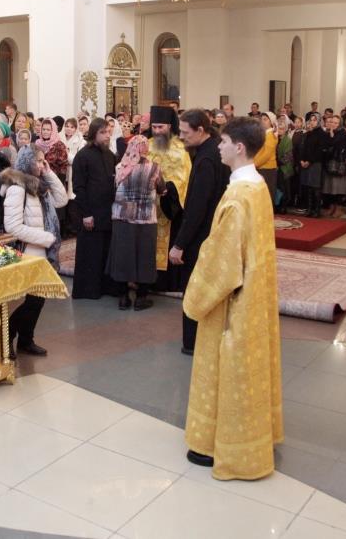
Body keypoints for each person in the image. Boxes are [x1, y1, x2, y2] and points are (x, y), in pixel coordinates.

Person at [183, 117, 282, 480]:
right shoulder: (258, 186)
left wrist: (195, 295)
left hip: (233, 302)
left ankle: (219, 445)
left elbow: (222, 261)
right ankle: (253, 437)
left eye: (223, 141)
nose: (219, 146)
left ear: (239, 147)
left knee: (225, 368)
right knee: (248, 368)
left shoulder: (238, 196)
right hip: (255, 294)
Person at [0, 145, 68, 357]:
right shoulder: (17, 188)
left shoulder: (39, 186)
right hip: (28, 252)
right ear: (27, 162)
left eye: (42, 160)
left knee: (38, 299)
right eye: (38, 161)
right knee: (29, 301)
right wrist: (47, 238)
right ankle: (6, 337)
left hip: (41, 253)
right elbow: (12, 227)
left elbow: (62, 199)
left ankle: (26, 339)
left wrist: (48, 172)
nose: (41, 164)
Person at [173, 109, 230, 354]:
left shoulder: (206, 159)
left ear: (200, 130)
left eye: (185, 132)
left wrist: (180, 244)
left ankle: (192, 342)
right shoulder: (215, 149)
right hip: (214, 232)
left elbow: (197, 207)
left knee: (195, 288)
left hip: (201, 236)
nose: (181, 137)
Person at [108, 135, 165, 310]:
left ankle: (123, 298)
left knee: (122, 256)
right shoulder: (154, 167)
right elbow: (162, 189)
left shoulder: (120, 166)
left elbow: (113, 188)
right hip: (146, 219)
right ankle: (141, 298)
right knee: (144, 257)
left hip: (122, 218)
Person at [71, 118, 119, 299]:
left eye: (108, 132)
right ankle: (89, 290)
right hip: (90, 212)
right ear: (93, 134)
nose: (107, 136)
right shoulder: (82, 156)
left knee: (105, 250)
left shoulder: (110, 155)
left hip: (107, 212)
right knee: (91, 252)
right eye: (103, 132)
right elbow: (79, 188)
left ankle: (105, 287)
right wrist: (86, 214)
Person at [147, 106, 192, 292]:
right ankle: (148, 281)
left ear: (169, 126)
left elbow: (184, 177)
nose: (157, 131)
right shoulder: (146, 145)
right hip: (148, 206)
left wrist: (167, 189)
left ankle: (169, 283)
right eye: (154, 127)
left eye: (161, 127)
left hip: (170, 205)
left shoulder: (181, 149)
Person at [298, 115, 325, 217]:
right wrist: (302, 160)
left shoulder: (321, 133)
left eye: (314, 120)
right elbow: (304, 148)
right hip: (306, 163)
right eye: (311, 120)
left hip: (315, 163)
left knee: (315, 187)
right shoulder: (309, 133)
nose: (312, 122)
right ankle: (310, 209)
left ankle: (317, 210)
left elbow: (319, 151)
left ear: (318, 122)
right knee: (308, 187)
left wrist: (309, 161)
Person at [255, 111, 279, 204]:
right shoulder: (264, 134)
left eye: (265, 119)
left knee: (267, 196)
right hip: (261, 166)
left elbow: (266, 154)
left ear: (271, 122)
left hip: (267, 168)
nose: (262, 121)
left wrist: (254, 164)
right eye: (261, 119)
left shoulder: (271, 134)